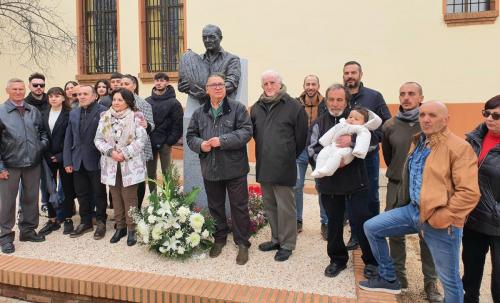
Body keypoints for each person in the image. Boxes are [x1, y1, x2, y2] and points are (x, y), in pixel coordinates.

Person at [361, 101, 481, 302]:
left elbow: (469, 193)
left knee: (449, 279)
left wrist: (442, 216)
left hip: (440, 220)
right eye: (423, 114)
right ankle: (389, 279)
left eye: (432, 115)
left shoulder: (459, 148)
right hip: (412, 211)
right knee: (372, 228)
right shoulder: (419, 141)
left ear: (446, 119)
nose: (426, 119)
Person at [308, 84, 378, 278]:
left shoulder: (357, 119)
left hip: (356, 183)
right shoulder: (318, 123)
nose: (335, 103)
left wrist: (352, 143)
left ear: (346, 101)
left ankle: (371, 261)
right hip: (329, 185)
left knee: (362, 221)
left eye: (340, 100)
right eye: (331, 99)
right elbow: (312, 149)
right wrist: (328, 164)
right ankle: (337, 259)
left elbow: (373, 141)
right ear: (326, 100)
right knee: (334, 223)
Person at [381, 82, 442, 301]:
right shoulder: (389, 125)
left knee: (427, 234)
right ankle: (399, 275)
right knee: (394, 231)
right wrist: (400, 173)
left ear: (421, 97)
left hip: (426, 187)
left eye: (411, 94)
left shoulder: (430, 122)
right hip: (397, 185)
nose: (406, 98)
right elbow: (389, 156)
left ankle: (431, 283)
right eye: (402, 94)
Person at [186, 73, 252, 265]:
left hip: (235, 168)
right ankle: (220, 238)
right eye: (213, 85)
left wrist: (222, 141)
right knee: (215, 205)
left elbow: (246, 132)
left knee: (239, 206)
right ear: (206, 89)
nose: (218, 88)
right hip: (211, 168)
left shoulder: (237, 108)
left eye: (221, 84)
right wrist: (201, 145)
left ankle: (242, 243)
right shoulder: (199, 113)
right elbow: (190, 136)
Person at [250, 70, 308, 262]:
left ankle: (288, 244)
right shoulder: (256, 108)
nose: (269, 87)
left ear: (280, 84)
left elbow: (301, 138)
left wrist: (287, 154)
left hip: (284, 165)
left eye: (272, 83)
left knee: (286, 207)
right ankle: (276, 239)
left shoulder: (293, 106)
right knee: (270, 206)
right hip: (264, 164)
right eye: (265, 84)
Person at [342, 61, 391, 250]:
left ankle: (372, 234)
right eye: (346, 73)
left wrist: (371, 140)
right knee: (350, 197)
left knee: (371, 196)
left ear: (360, 74)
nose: (350, 76)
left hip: (368, 157)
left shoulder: (374, 96)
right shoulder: (340, 97)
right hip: (346, 158)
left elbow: (386, 124)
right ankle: (355, 235)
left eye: (353, 72)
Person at [0, 78, 48, 254]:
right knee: (7, 202)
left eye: (21, 89)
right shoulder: (1, 112)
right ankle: (5, 236)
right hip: (10, 164)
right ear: (8, 91)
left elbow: (43, 133)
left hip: (32, 163)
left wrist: (39, 147)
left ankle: (27, 231)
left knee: (30, 198)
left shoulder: (32, 110)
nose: (19, 92)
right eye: (15, 89)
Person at [95, 88, 147, 246]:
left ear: (128, 102)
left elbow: (141, 140)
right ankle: (121, 227)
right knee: (116, 197)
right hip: (111, 163)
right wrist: (111, 152)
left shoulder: (136, 117)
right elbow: (98, 139)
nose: (116, 103)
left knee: (129, 197)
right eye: (115, 99)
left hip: (130, 163)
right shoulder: (105, 117)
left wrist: (124, 153)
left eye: (120, 100)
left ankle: (132, 228)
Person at [462, 95, 500, 303]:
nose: (490, 119)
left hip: (497, 223)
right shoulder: (474, 139)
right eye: (486, 113)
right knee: (470, 273)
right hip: (473, 219)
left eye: (496, 115)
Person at [63, 85, 108, 240]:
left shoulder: (103, 111)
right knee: (82, 194)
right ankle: (85, 222)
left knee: (99, 193)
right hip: (77, 160)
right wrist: (67, 160)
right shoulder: (73, 113)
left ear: (94, 96)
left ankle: (101, 221)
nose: (81, 96)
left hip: (96, 160)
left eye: (85, 94)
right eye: (79, 94)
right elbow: (68, 137)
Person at [38, 87, 76, 236]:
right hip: (47, 156)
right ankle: (52, 219)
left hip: (64, 157)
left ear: (62, 98)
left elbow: (72, 137)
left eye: (57, 96)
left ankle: (67, 218)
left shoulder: (69, 114)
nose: (53, 98)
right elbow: (40, 134)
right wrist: (47, 153)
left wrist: (60, 155)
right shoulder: (43, 114)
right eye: (51, 96)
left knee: (66, 189)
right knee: (48, 189)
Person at [295, 74, 328, 237]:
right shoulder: (295, 103)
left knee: (322, 186)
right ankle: (297, 220)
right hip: (300, 150)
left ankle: (326, 222)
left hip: (319, 151)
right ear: (303, 85)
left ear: (318, 86)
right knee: (296, 185)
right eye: (307, 84)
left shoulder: (326, 104)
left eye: (313, 84)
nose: (310, 87)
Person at [311, 107, 381, 178]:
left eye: (356, 119)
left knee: (337, 155)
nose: (352, 119)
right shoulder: (342, 124)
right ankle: (318, 169)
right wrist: (324, 141)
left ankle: (329, 170)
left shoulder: (362, 129)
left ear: (364, 123)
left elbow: (363, 139)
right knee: (323, 153)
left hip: (347, 150)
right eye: (350, 117)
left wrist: (359, 151)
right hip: (334, 146)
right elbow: (332, 132)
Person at [178, 24, 240, 100]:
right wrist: (183, 86)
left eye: (212, 37)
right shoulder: (197, 60)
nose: (207, 40)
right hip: (200, 106)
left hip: (224, 105)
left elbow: (231, 84)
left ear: (220, 38)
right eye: (204, 38)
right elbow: (190, 79)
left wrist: (208, 92)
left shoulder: (232, 59)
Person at [120, 74, 155, 208]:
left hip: (139, 147)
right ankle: (124, 210)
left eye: (127, 84)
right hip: (120, 148)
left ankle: (137, 208)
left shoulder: (143, 103)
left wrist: (148, 125)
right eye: (121, 84)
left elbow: (151, 124)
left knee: (138, 179)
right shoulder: (116, 101)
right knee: (122, 179)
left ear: (134, 86)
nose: (123, 86)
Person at [145, 72, 183, 193]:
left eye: (162, 80)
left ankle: (168, 198)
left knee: (167, 173)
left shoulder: (174, 102)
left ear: (167, 82)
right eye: (156, 80)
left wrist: (170, 141)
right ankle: (153, 199)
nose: (159, 83)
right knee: (150, 173)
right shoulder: (147, 101)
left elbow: (178, 124)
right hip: (149, 142)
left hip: (166, 142)